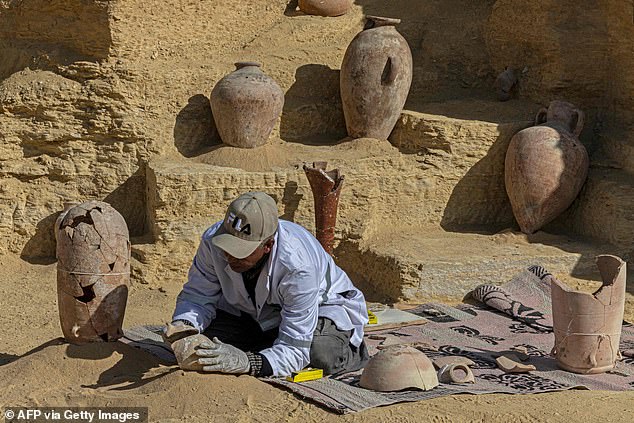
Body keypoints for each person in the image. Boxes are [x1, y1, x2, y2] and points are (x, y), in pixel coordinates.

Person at [163, 191, 369, 377]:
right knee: (203, 345)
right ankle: (267, 343)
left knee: (320, 354)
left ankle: (352, 352)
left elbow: (295, 347)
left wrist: (249, 362)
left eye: (240, 250)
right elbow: (197, 297)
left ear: (268, 245)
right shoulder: (212, 241)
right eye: (228, 245)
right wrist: (185, 326)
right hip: (254, 312)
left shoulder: (297, 266)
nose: (229, 255)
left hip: (319, 309)